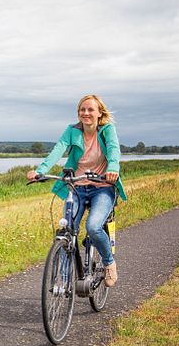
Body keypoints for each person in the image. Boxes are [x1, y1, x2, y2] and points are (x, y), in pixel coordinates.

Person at [27, 94, 127, 287]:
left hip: (102, 187)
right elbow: (58, 149)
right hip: (77, 186)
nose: (86, 113)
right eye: (82, 109)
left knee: (93, 227)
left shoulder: (107, 130)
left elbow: (114, 150)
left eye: (90, 109)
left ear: (100, 113)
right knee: (67, 232)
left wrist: (113, 168)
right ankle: (64, 284)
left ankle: (109, 263)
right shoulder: (72, 131)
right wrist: (40, 171)